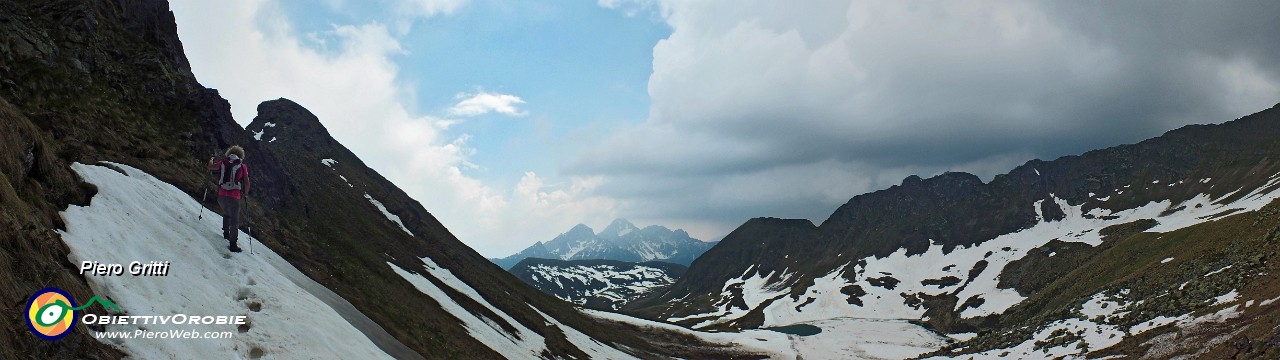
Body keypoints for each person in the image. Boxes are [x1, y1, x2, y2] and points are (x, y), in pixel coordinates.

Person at [207, 145, 251, 253]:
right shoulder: (242, 166)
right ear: (241, 155)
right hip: (234, 196)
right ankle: (233, 244)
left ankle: (226, 234)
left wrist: (211, 160)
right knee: (234, 221)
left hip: (222, 194)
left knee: (226, 213)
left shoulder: (223, 162)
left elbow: (210, 167)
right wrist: (245, 194)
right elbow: (246, 182)